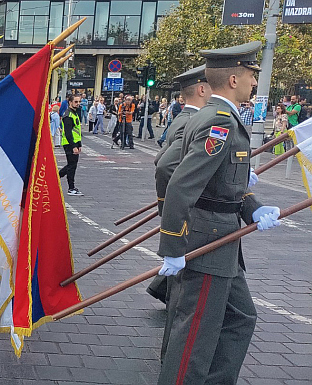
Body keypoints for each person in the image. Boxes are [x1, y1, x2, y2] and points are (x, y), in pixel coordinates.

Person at [157, 41, 281, 385]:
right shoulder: (220, 124)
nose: (255, 83)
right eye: (251, 75)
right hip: (210, 239)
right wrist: (172, 244)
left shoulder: (215, 117)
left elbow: (213, 179)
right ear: (233, 79)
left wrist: (253, 209)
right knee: (196, 330)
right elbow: (178, 184)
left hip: (222, 239)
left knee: (241, 317)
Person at [149, 65, 211, 306]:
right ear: (202, 89)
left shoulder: (184, 117)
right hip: (192, 208)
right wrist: (167, 207)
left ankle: (161, 288)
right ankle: (167, 293)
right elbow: (164, 166)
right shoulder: (192, 120)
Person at [58, 95, 83, 196]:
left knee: (71, 165)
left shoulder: (74, 113)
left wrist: (79, 144)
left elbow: (77, 130)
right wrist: (73, 146)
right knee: (72, 166)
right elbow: (68, 133)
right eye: (76, 102)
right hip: (69, 144)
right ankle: (71, 188)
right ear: (70, 102)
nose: (78, 104)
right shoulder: (68, 115)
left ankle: (56, 177)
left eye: (79, 102)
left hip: (74, 143)